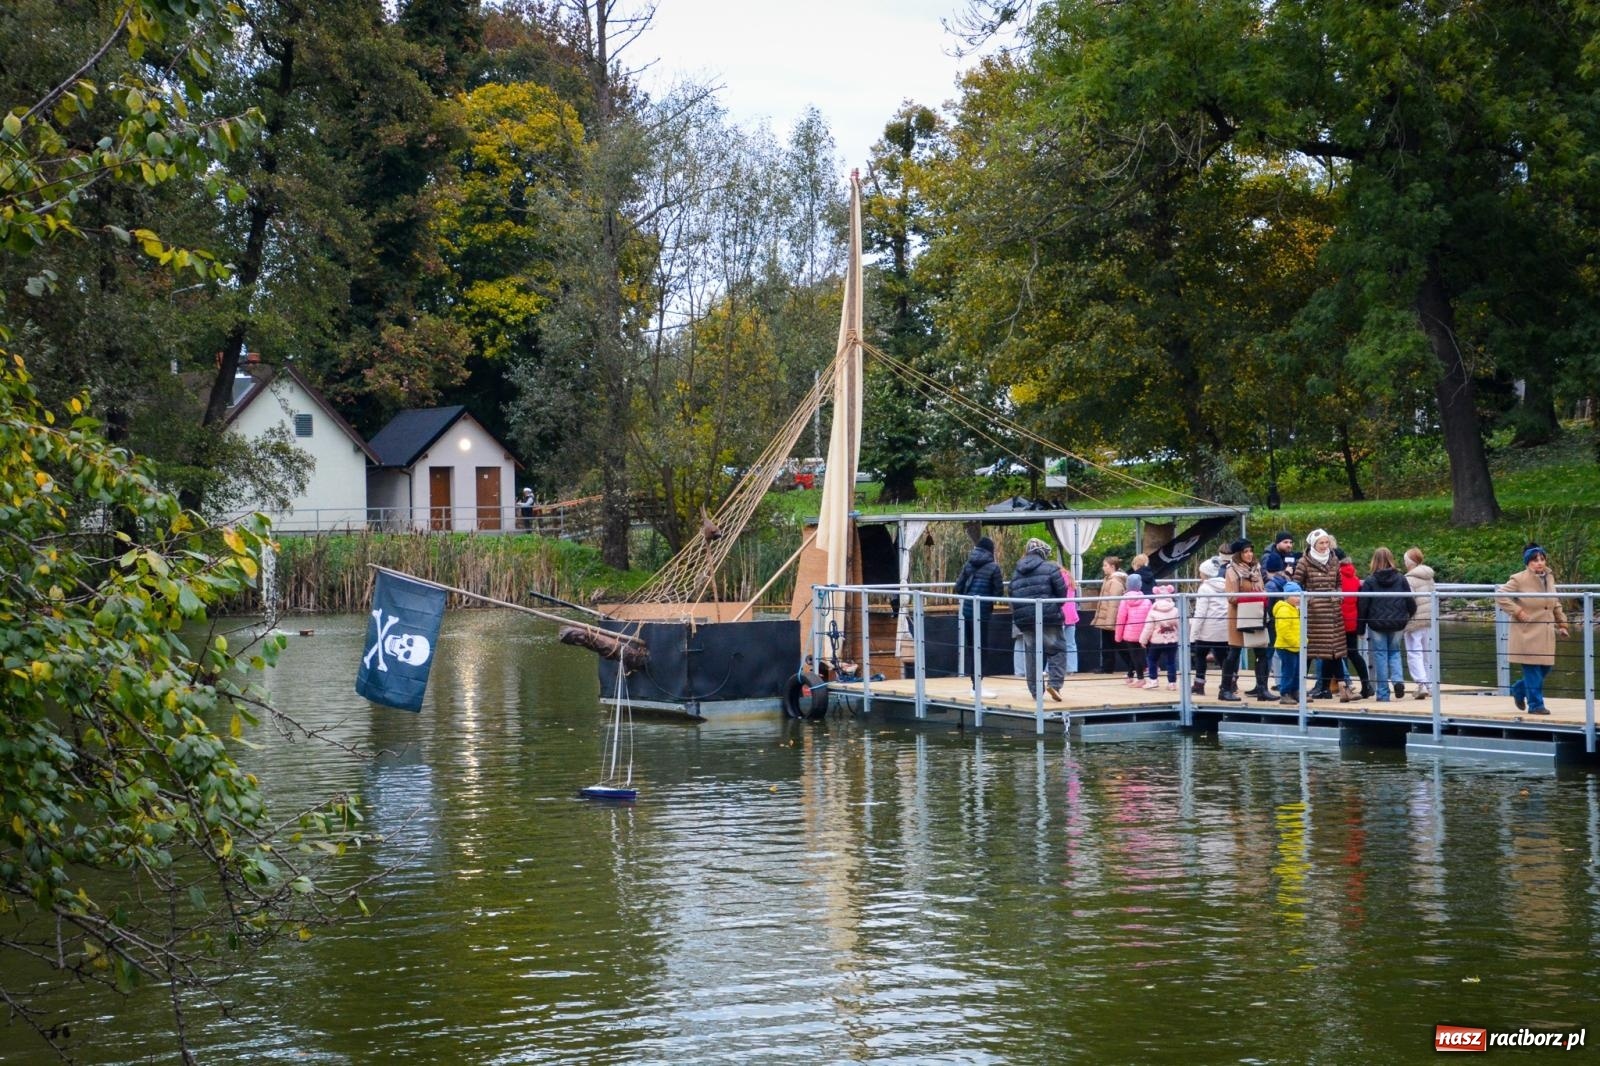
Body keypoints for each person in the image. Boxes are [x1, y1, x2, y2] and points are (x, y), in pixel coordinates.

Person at [1495, 545, 1570, 716]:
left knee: (1545, 669)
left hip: (1545, 633)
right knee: (1533, 670)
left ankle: (1518, 689)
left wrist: (1562, 624)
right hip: (1526, 632)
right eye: (1535, 560)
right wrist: (1518, 611)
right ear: (1528, 563)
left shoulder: (1549, 578)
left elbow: (1555, 602)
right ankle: (1536, 705)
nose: (1539, 563)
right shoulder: (1518, 579)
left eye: (1542, 559)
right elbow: (1500, 595)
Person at [1293, 529, 1351, 701]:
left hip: (1333, 612)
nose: (1325, 546)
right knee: (1310, 651)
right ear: (1313, 544)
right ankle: (1299, 689)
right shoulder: (1304, 562)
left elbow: (1339, 582)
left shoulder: (1334, 560)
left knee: (1334, 650)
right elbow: (1296, 586)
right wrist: (1309, 600)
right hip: (1314, 615)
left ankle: (1337, 687)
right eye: (1321, 543)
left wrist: (1338, 595)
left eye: (1327, 542)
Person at [1009, 537, 1068, 701]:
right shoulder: (1050, 568)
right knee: (1057, 649)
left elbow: (1011, 594)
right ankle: (1055, 685)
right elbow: (1062, 593)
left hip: (1025, 619)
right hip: (1048, 615)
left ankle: (1036, 691)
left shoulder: (1016, 571)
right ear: (1042, 553)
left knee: (1032, 654)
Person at [1357, 547, 1415, 702]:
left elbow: (1363, 606)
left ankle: (1383, 693)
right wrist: (1408, 615)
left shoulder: (1370, 581)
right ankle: (1397, 680)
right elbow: (1410, 601)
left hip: (1377, 624)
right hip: (1397, 623)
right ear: (1391, 559)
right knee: (1394, 652)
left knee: (1380, 655)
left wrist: (1360, 628)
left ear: (1374, 561)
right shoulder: (1401, 578)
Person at [954, 535, 1004, 694]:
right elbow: (998, 592)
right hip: (982, 613)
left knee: (971, 647)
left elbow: (958, 587)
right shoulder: (993, 567)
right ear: (991, 551)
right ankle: (977, 686)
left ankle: (974, 684)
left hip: (967, 612)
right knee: (982, 648)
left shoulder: (969, 564)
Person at [1220, 539, 1267, 701]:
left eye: (1250, 551)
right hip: (1239, 616)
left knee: (1261, 651)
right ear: (1239, 554)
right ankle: (1225, 689)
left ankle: (1262, 689)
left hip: (1256, 614)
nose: (1249, 554)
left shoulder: (1256, 569)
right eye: (1245, 552)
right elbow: (1231, 596)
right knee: (1234, 653)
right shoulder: (1232, 571)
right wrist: (1250, 598)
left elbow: (1262, 588)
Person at [1335, 547, 1373, 699]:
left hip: (1338, 620)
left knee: (1333, 655)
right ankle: (1366, 685)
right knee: (1353, 653)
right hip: (1352, 621)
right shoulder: (1354, 577)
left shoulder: (1336, 576)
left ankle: (1326, 686)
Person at [1189, 556, 1230, 696]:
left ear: (1204, 573)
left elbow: (1200, 612)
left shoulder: (1205, 588)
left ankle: (1199, 685)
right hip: (1223, 629)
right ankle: (1229, 683)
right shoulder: (1226, 585)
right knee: (1223, 657)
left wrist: (1193, 634)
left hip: (1207, 630)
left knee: (1200, 656)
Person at [1402, 547, 1436, 700]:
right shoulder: (1429, 576)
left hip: (1414, 619)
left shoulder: (1409, 579)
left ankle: (1421, 683)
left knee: (1414, 652)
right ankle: (1429, 684)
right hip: (1428, 619)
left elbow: (1408, 601)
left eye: (1405, 560)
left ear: (1410, 562)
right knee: (1426, 652)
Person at [1139, 583, 1181, 690]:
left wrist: (1143, 640)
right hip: (1172, 640)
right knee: (1171, 662)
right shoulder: (1175, 610)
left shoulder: (1153, 611)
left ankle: (1153, 680)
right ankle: (1172, 683)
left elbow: (1148, 628)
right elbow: (1180, 625)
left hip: (1156, 641)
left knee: (1152, 659)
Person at [1092, 556, 1129, 677]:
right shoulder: (1109, 580)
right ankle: (1108, 666)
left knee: (1117, 642)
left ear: (1112, 567)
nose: (1103, 568)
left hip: (1111, 618)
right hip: (1107, 617)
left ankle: (1132, 664)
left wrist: (1110, 621)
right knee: (1109, 643)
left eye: (1105, 565)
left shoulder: (1115, 582)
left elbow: (1114, 603)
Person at [1115, 573, 1153, 686]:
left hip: (1130, 633)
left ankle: (1140, 678)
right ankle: (1131, 674)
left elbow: (1121, 618)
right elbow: (1151, 618)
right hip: (1143, 633)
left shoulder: (1125, 600)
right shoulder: (1147, 600)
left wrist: (1118, 636)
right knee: (1139, 655)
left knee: (1135, 655)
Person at [1272, 581, 1304, 705]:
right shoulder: (1284, 610)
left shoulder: (1295, 609)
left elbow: (1298, 627)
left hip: (1296, 646)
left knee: (1297, 670)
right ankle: (1285, 693)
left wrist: (1304, 640)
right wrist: (1297, 642)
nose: (1298, 598)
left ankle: (1295, 691)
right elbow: (1284, 631)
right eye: (1295, 596)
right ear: (1287, 596)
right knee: (1288, 670)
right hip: (1286, 646)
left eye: (1299, 595)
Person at [1058, 562, 1081, 677]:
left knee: (1056, 643)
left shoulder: (1058, 578)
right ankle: (1071, 667)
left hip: (1061, 613)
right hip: (1071, 614)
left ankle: (1051, 668)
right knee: (1071, 643)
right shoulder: (1070, 578)